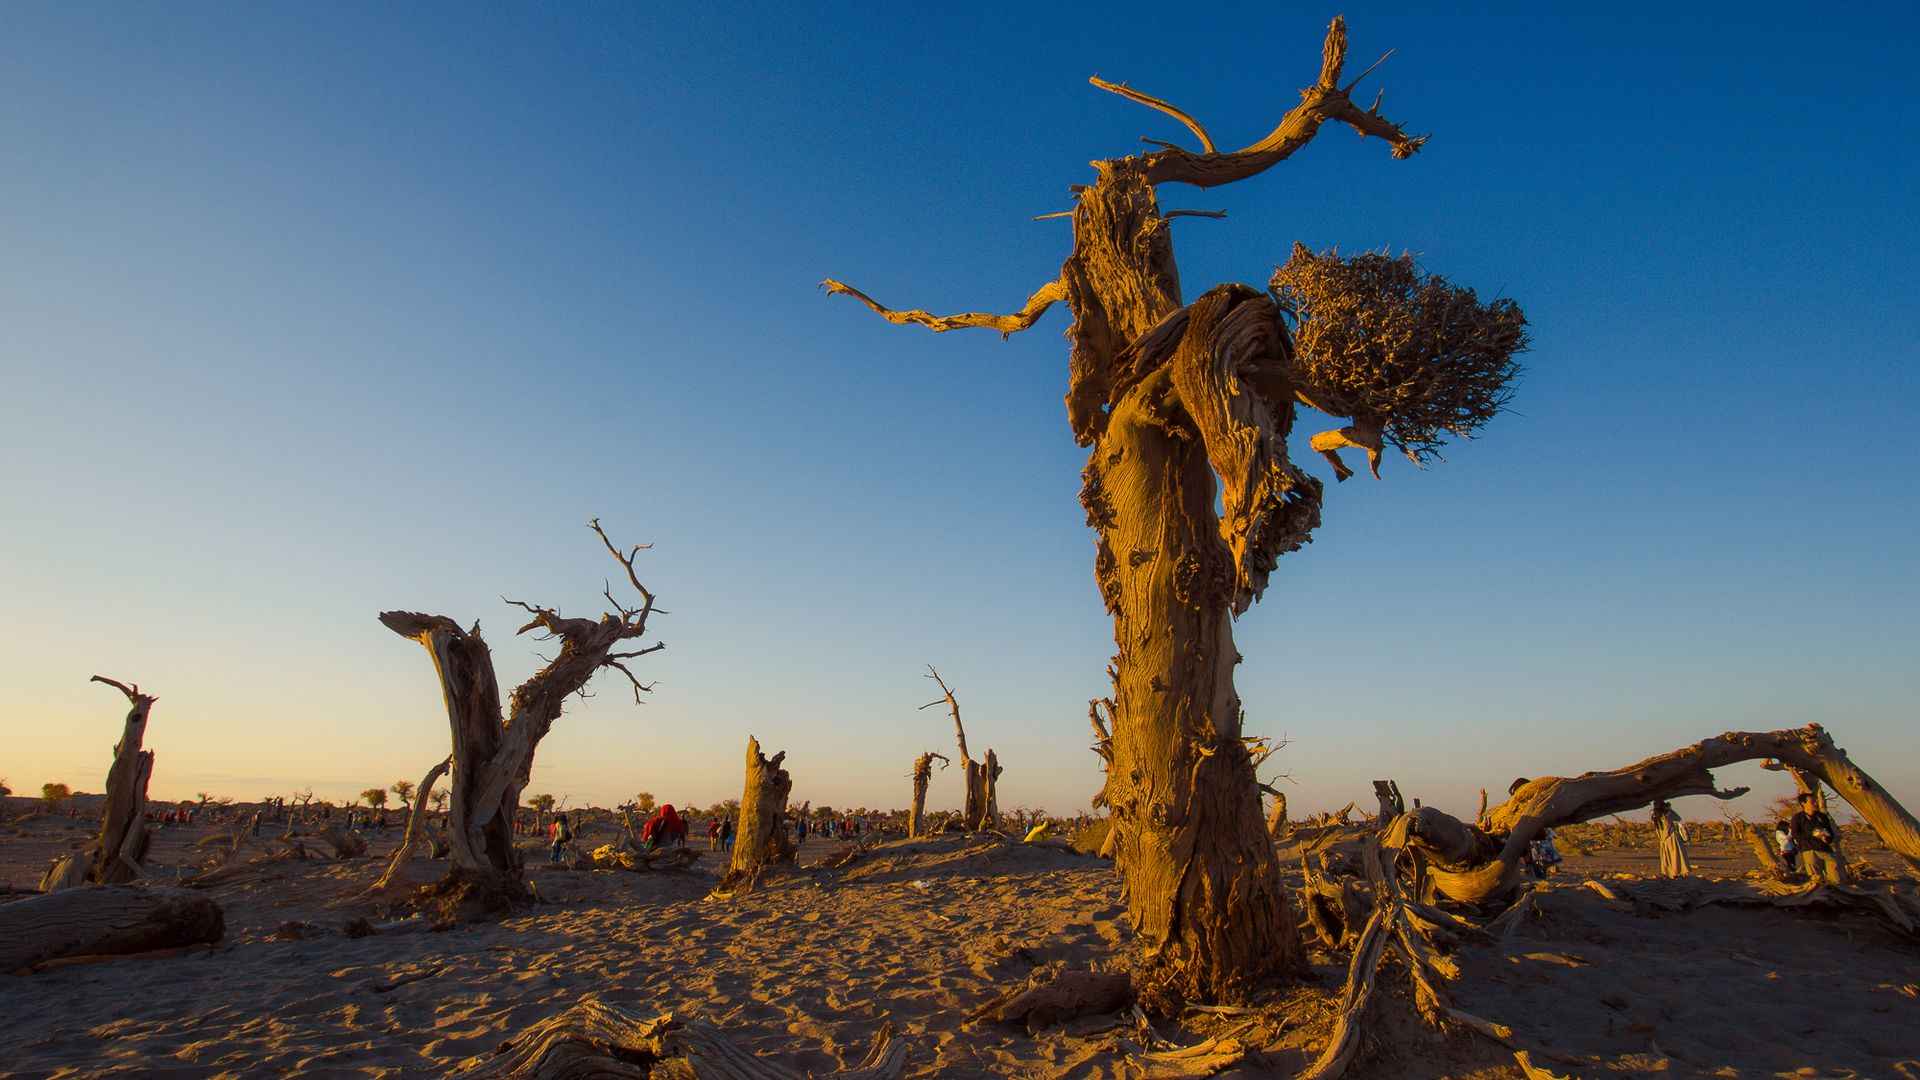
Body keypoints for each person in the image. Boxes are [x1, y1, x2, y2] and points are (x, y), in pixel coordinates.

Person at [1788, 792, 1844, 883]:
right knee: (1816, 879)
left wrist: (1827, 838)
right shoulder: (1797, 818)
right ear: (1803, 803)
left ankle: (1838, 890)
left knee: (1835, 872)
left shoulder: (1821, 816)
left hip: (1824, 849)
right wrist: (1813, 835)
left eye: (1815, 801)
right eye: (1812, 801)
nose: (1815, 803)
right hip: (1809, 849)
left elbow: (1830, 833)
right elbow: (1795, 834)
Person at [1652, 798, 1692, 878]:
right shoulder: (1669, 813)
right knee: (1677, 856)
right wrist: (1686, 836)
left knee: (1668, 857)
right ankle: (1679, 873)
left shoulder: (1654, 815)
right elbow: (1680, 822)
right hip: (1673, 838)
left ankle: (1669, 874)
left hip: (1663, 840)